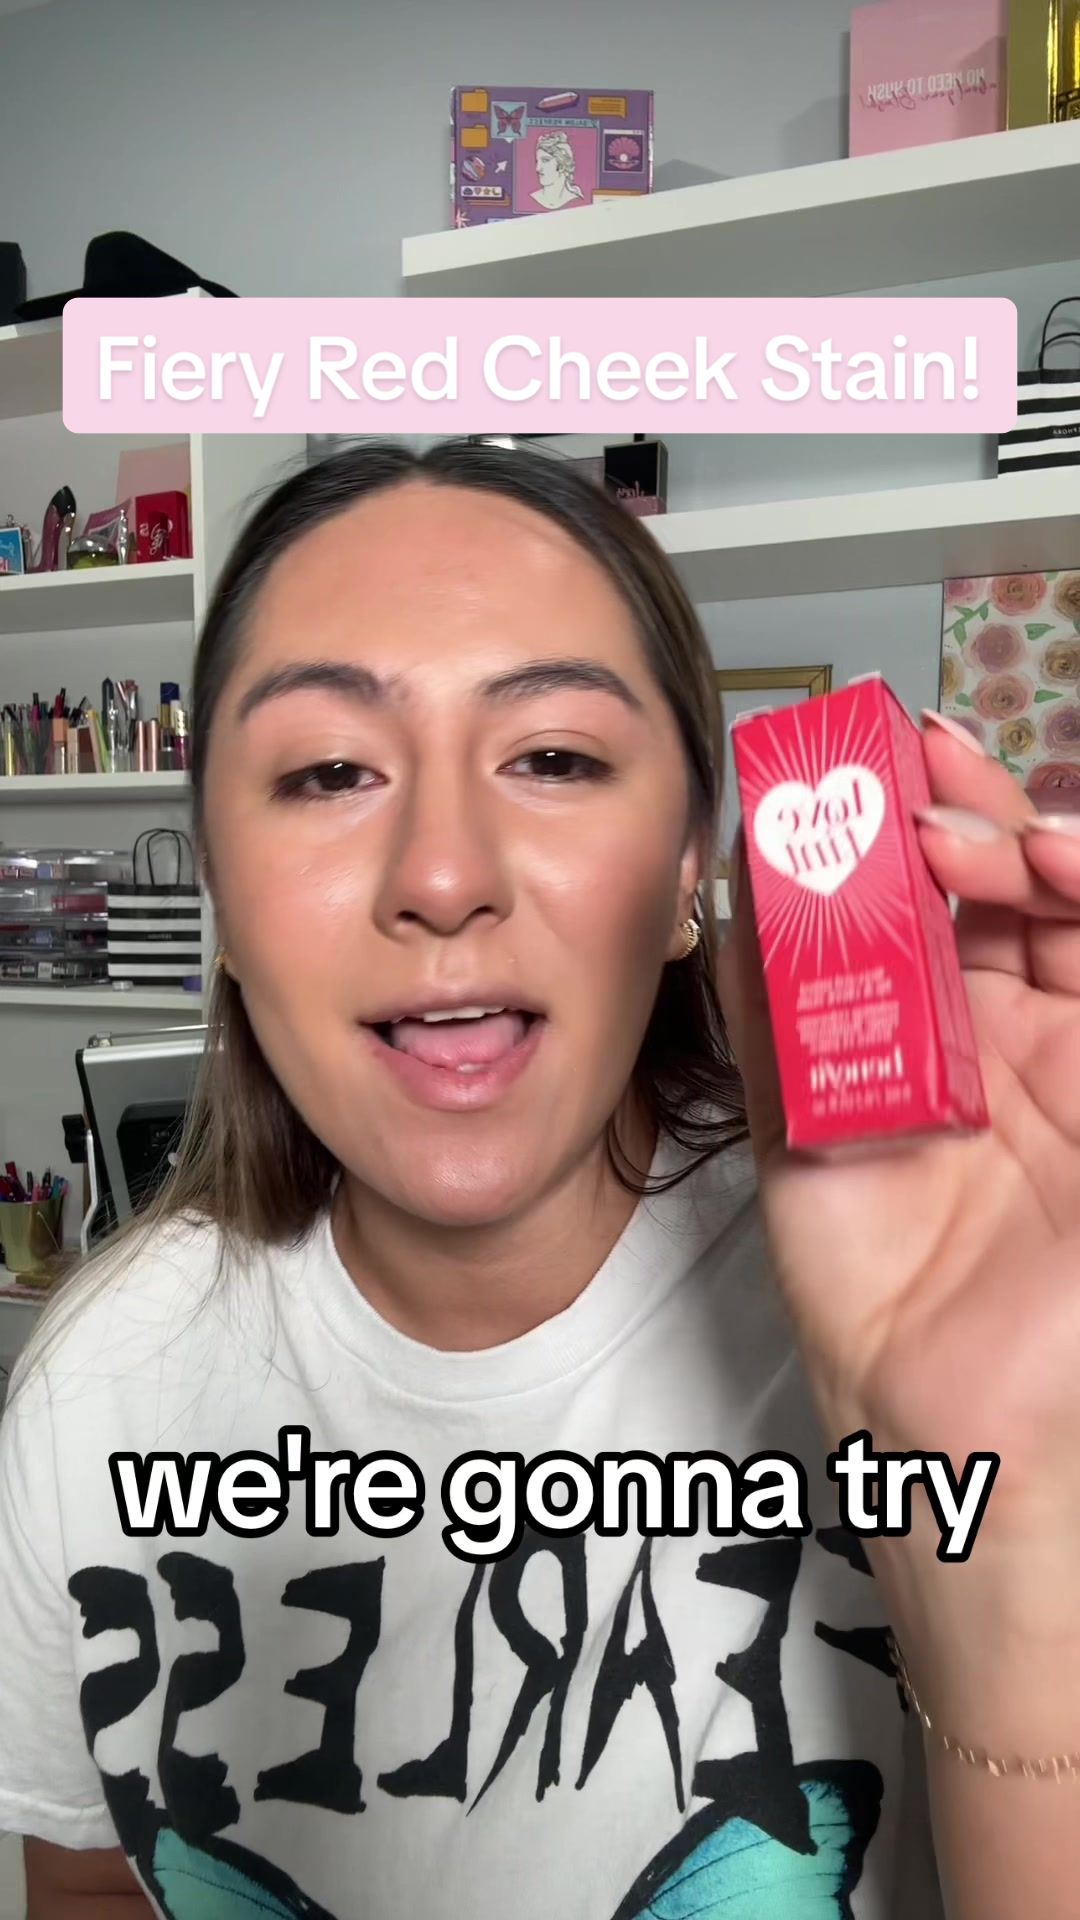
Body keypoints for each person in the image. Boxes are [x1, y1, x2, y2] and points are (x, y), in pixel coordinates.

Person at [0, 440, 1075, 1920]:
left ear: (690, 864)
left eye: (554, 758)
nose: (444, 876)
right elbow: (95, 1885)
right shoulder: (100, 1384)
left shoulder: (927, 1307)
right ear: (223, 898)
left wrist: (1019, 1545)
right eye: (327, 771)